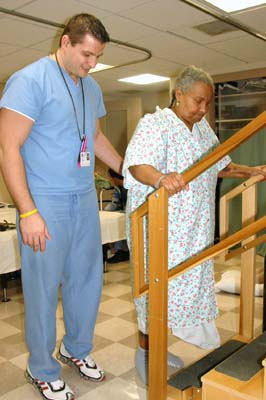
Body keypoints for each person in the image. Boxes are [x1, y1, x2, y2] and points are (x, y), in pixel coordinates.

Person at [0, 14, 123, 400]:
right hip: (44, 201)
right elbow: (8, 149)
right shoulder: (29, 80)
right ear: (66, 43)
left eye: (98, 56)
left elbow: (96, 137)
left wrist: (125, 171)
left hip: (84, 196)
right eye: (87, 54)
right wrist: (28, 212)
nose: (92, 63)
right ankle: (41, 368)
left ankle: (76, 349)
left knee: (87, 281)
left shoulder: (92, 87)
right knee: (40, 288)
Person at [123, 65, 266, 384]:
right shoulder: (155, 124)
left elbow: (220, 166)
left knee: (184, 290)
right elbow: (137, 166)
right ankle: (145, 352)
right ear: (179, 94)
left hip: (194, 230)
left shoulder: (203, 132)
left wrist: (250, 170)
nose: (203, 110)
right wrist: (161, 178)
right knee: (154, 293)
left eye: (207, 104)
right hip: (159, 230)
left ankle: (161, 347)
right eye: (197, 102)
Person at [105, 168, 129, 263]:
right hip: (123, 212)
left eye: (111, 178)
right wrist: (105, 212)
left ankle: (122, 251)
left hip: (129, 212)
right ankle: (117, 250)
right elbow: (114, 203)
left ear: (114, 178)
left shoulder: (129, 187)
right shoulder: (118, 189)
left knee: (119, 222)